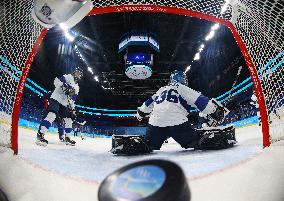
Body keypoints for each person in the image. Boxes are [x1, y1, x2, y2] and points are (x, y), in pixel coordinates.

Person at [136, 70, 229, 151]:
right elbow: (203, 103)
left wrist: (140, 114)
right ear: (182, 79)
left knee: (148, 145)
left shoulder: (161, 90)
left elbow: (145, 107)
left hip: (155, 124)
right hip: (177, 124)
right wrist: (216, 110)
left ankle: (140, 145)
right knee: (194, 142)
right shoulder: (183, 88)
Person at [36, 67, 83, 146]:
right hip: (56, 98)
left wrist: (73, 110)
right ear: (74, 72)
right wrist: (64, 86)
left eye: (80, 73)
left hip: (64, 103)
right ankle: (40, 135)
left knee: (69, 119)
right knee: (52, 115)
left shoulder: (77, 88)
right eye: (77, 72)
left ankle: (67, 138)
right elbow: (56, 81)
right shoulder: (68, 77)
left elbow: (72, 100)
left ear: (81, 76)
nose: (78, 74)